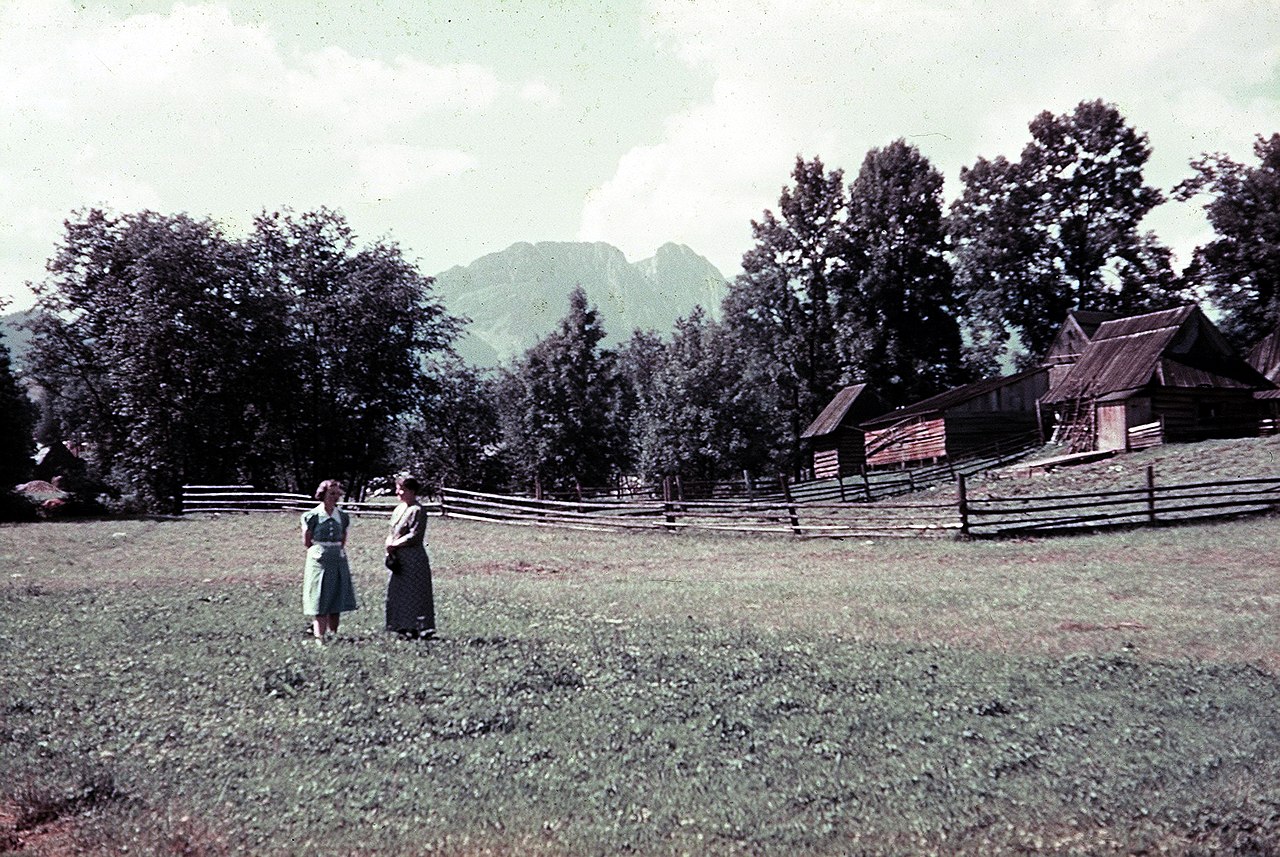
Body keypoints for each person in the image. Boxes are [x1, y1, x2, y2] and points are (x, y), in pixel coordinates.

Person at [301, 479, 359, 640]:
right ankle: (319, 636)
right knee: (319, 597)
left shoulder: (343, 516)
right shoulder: (311, 516)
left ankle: (333, 635)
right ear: (323, 494)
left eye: (337, 494)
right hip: (319, 560)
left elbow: (343, 539)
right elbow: (307, 541)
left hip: (337, 559)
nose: (335, 497)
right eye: (331, 493)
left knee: (336, 596)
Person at [384, 475, 435, 639]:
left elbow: (415, 536)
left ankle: (415, 627)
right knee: (397, 592)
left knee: (413, 592)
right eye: (397, 489)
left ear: (412, 491)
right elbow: (392, 530)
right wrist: (389, 543)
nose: (398, 492)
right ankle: (399, 625)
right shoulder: (399, 509)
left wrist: (396, 544)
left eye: (402, 489)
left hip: (412, 558)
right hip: (398, 557)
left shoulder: (418, 510)